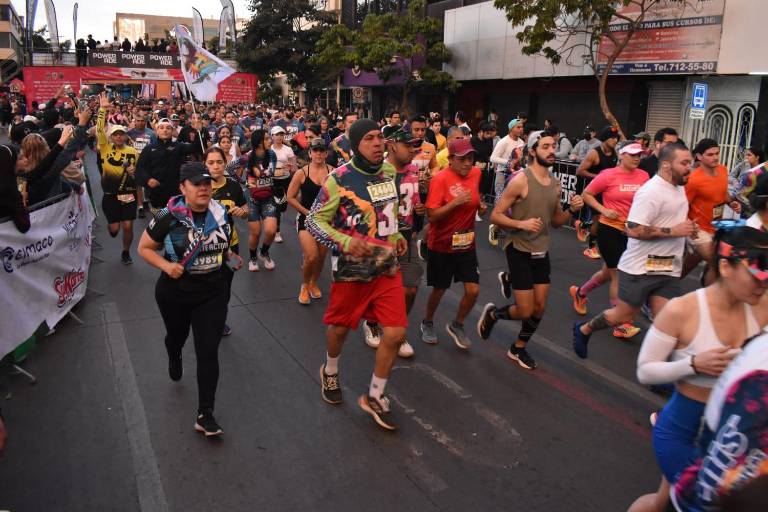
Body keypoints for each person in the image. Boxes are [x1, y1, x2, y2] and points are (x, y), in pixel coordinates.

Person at [626, 225, 768, 512]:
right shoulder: (682, 310)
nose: (762, 285)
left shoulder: (762, 305)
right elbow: (645, 371)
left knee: (662, 502)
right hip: (682, 432)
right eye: (756, 276)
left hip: (731, 438)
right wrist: (692, 364)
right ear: (726, 267)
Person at [306, 119, 408, 431]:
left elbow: (386, 212)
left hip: (386, 267)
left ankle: (375, 395)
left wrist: (396, 235)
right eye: (369, 139)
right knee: (340, 330)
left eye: (380, 137)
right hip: (352, 271)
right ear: (354, 145)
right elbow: (313, 221)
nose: (378, 143)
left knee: (395, 334)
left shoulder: (389, 172)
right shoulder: (338, 179)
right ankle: (330, 370)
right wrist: (347, 242)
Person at [137, 162, 243, 438]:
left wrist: (230, 256)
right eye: (197, 184)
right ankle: (174, 354)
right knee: (177, 337)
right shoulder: (168, 215)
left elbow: (224, 244)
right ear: (183, 188)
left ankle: (205, 414)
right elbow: (144, 248)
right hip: (175, 292)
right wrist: (166, 266)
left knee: (208, 352)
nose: (204, 188)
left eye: (207, 183)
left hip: (212, 292)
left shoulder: (220, 213)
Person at [572, 143, 696, 359]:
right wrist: (674, 230)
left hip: (667, 267)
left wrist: (688, 230)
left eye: (690, 163)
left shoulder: (676, 187)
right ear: (667, 165)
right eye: (684, 163)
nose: (689, 168)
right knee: (623, 314)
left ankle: (664, 369)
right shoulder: (651, 190)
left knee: (667, 322)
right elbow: (634, 229)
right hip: (638, 265)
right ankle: (584, 329)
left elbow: (670, 218)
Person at [477, 131, 584, 370]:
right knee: (525, 310)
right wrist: (521, 224)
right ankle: (493, 315)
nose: (552, 150)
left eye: (553, 146)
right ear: (533, 151)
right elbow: (495, 215)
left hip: (541, 250)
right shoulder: (521, 181)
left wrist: (572, 210)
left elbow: (556, 222)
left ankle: (518, 348)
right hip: (519, 248)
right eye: (545, 146)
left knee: (539, 308)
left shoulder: (556, 184)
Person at [670, 330, 768, 512]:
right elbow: (722, 465)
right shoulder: (763, 368)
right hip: (701, 496)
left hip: (702, 481)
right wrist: (692, 365)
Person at [569, 141, 649, 339]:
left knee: (607, 273)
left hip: (632, 233)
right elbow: (587, 194)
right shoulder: (608, 175)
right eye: (632, 154)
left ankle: (580, 292)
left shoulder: (644, 176)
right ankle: (620, 324)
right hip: (610, 230)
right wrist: (604, 210)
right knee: (617, 276)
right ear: (621, 155)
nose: (637, 158)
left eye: (639, 154)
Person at [362, 128, 423, 358]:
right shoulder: (378, 173)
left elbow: (414, 202)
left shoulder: (414, 170)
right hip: (381, 238)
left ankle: (397, 329)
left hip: (406, 236)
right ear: (393, 145)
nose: (413, 150)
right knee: (377, 286)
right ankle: (372, 323)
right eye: (408, 145)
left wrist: (419, 212)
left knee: (410, 287)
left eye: (414, 145)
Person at [420, 138, 485, 349]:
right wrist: (455, 203)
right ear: (450, 159)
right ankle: (427, 322)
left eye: (470, 158)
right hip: (442, 243)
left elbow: (475, 199)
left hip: (466, 242)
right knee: (439, 289)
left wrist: (480, 207)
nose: (467, 163)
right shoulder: (440, 179)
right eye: (462, 159)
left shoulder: (476, 173)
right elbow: (432, 216)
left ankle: (458, 324)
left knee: (473, 290)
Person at [683, 139, 742, 285]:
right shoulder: (693, 179)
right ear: (699, 156)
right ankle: (710, 295)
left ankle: (665, 285)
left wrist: (731, 202)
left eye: (717, 153)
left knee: (690, 263)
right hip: (699, 229)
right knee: (717, 262)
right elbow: (681, 207)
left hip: (717, 226)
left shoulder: (723, 170)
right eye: (710, 155)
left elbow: (722, 193)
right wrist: (689, 226)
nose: (715, 157)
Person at [206, 147, 248, 337]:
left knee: (225, 286)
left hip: (231, 246)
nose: (215, 166)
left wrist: (242, 211)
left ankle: (219, 319)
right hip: (205, 247)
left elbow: (246, 209)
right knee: (207, 285)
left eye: (219, 162)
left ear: (225, 163)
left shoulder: (233, 186)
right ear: (205, 164)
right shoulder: (199, 186)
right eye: (211, 162)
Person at [96, 93, 140, 264]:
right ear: (112, 137)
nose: (119, 137)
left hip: (128, 194)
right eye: (115, 135)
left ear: (125, 136)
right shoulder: (105, 148)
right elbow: (100, 130)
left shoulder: (133, 152)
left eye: (121, 134)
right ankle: (113, 227)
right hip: (110, 195)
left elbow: (138, 175)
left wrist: (134, 172)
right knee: (114, 229)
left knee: (128, 225)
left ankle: (126, 252)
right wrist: (102, 109)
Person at [287, 137, 332, 304]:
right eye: (315, 150)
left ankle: (313, 282)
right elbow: (290, 197)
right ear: (310, 153)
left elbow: (341, 195)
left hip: (326, 221)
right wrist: (307, 213)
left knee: (321, 257)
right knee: (311, 256)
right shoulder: (302, 173)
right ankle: (305, 285)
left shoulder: (333, 172)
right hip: (306, 219)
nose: (318, 153)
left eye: (322, 150)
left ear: (326, 153)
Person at [575, 125, 619, 259]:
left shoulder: (615, 153)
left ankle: (582, 225)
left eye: (616, 138)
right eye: (612, 138)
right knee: (598, 220)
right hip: (593, 192)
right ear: (605, 139)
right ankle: (591, 248)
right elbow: (579, 171)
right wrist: (599, 178)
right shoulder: (594, 153)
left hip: (608, 191)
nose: (615, 140)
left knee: (605, 219)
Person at [136, 118, 194, 214]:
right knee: (160, 220)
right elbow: (140, 168)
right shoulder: (149, 148)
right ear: (157, 130)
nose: (165, 130)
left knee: (176, 220)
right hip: (155, 194)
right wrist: (148, 179)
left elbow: (196, 147)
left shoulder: (178, 146)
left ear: (172, 131)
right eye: (162, 127)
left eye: (168, 128)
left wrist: (198, 130)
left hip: (175, 193)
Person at [244, 129, 278, 271]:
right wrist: (243, 182)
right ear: (259, 142)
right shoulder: (247, 157)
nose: (270, 140)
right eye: (267, 138)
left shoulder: (271, 154)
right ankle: (252, 258)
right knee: (256, 232)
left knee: (271, 231)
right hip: (251, 198)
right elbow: (230, 168)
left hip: (268, 196)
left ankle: (263, 253)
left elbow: (272, 173)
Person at [269, 125, 296, 244]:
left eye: (281, 134)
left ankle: (276, 221)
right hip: (273, 181)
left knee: (283, 207)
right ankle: (277, 232)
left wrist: (290, 166)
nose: (279, 137)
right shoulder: (269, 149)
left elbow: (294, 167)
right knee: (277, 207)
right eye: (277, 134)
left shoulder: (288, 149)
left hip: (285, 180)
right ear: (272, 136)